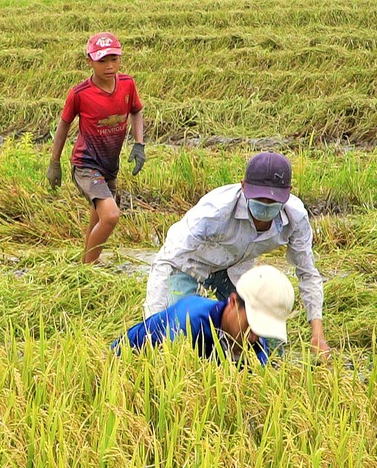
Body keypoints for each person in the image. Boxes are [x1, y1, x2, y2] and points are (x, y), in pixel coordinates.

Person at [143, 152, 332, 357]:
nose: (266, 204)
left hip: (236, 272)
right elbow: (166, 260)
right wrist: (153, 321)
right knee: (184, 335)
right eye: (259, 198)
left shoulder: (296, 218)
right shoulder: (215, 211)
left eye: (273, 199)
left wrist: (317, 333)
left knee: (266, 342)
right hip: (190, 266)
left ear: (288, 194)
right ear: (243, 186)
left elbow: (308, 273)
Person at [47, 32, 145, 264]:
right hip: (86, 163)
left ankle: (88, 259)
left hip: (110, 165)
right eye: (102, 61)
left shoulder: (127, 84)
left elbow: (136, 110)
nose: (109, 66)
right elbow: (63, 125)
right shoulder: (80, 94)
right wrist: (54, 163)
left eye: (114, 59)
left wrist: (139, 144)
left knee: (97, 220)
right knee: (110, 216)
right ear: (89, 61)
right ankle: (87, 269)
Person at [112, 265, 295, 366]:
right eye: (252, 325)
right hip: (122, 366)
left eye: (263, 330)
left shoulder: (254, 343)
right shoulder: (187, 324)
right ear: (232, 302)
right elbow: (170, 388)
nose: (254, 337)